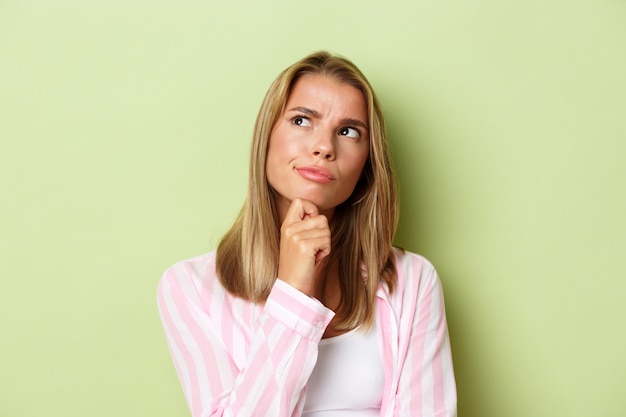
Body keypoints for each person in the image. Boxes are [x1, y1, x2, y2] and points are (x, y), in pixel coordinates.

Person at [157, 51, 457, 417]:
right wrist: (294, 293)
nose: (324, 147)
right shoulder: (189, 287)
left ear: (367, 163)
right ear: (265, 138)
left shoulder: (413, 281)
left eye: (348, 131)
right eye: (302, 120)